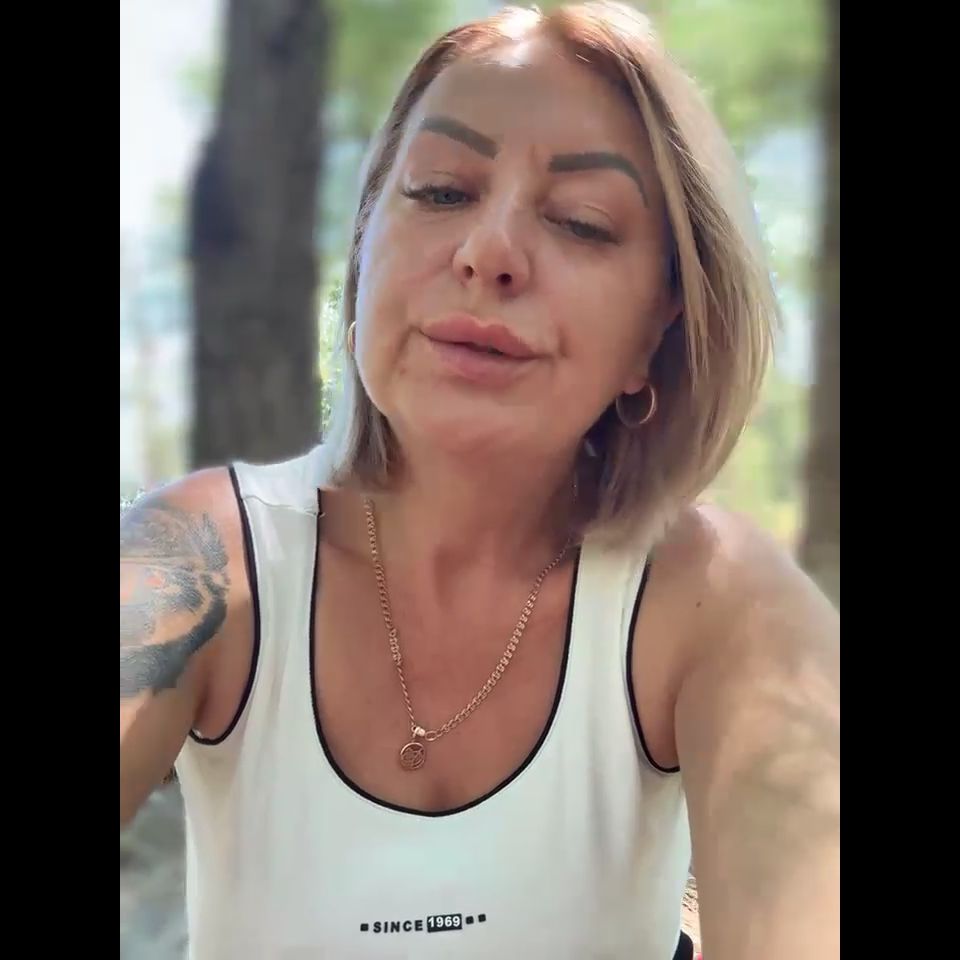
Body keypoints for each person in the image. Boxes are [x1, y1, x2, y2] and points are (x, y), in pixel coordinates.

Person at [120, 3, 840, 958]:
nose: (488, 252)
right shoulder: (193, 563)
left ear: (658, 329)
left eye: (582, 223)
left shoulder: (721, 601)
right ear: (365, 249)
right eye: (441, 191)